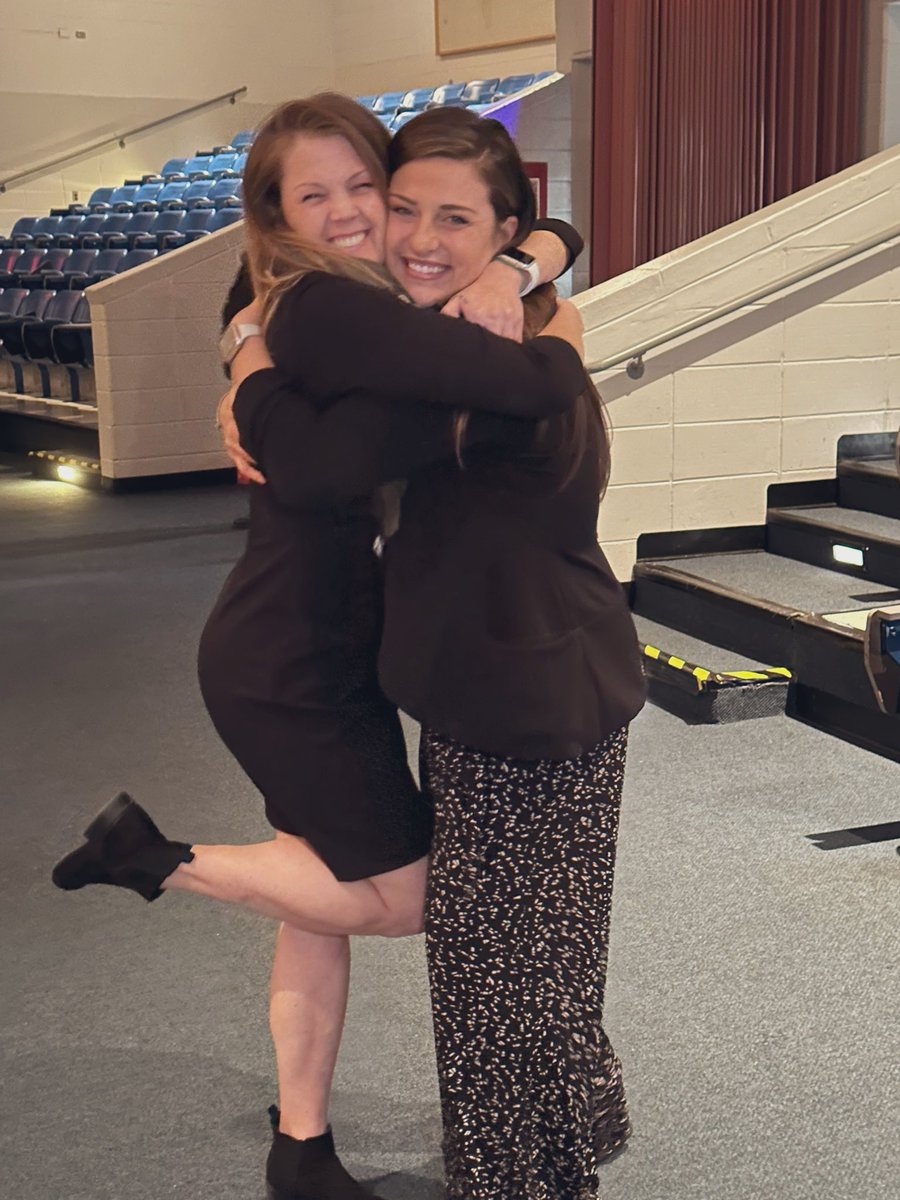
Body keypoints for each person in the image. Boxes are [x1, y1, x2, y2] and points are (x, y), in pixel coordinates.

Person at [51, 93, 587, 1200]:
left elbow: (541, 232)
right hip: (293, 660)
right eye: (317, 194)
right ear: (276, 212)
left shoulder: (350, 297)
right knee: (401, 898)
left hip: (314, 641)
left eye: (367, 190)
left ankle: (301, 1146)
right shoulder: (334, 311)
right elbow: (522, 389)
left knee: (313, 893)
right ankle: (151, 858)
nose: (352, 213)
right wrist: (539, 317)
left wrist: (524, 262)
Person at [225, 106, 647, 1200]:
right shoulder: (477, 326)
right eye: (396, 203)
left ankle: (520, 1177)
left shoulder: (480, 360)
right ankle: (560, 1148)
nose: (404, 231)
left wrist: (251, 371)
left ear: (500, 231)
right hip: (558, 681)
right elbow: (548, 253)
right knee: (543, 966)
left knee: (494, 987)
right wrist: (534, 267)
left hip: (515, 700)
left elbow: (327, 459)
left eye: (446, 217)